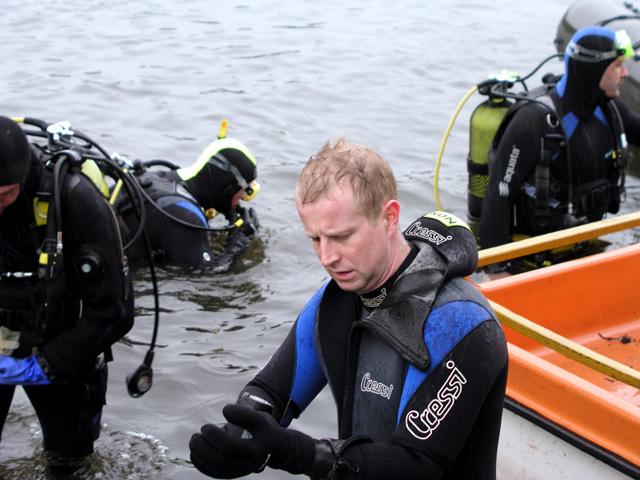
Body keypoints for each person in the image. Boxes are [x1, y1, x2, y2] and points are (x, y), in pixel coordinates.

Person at [189, 138, 508, 479]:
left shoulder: (463, 323)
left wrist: (289, 451)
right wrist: (241, 442)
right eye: (315, 239)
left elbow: (416, 465)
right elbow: (270, 392)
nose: (327, 257)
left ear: (388, 218)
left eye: (341, 237)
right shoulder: (336, 302)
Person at [0, 117, 134, 471]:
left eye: (4, 195)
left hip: (61, 343)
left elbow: (115, 312)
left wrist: (43, 367)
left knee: (69, 463)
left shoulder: (77, 202)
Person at [479, 25, 640, 274]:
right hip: (533, 260)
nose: (625, 73)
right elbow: (498, 195)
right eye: (618, 65)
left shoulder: (609, 108)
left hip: (586, 245)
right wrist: (497, 271)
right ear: (594, 68)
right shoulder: (534, 122)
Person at [113, 134, 260, 272]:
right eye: (244, 194)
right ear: (227, 187)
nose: (241, 202)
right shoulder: (185, 214)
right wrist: (239, 241)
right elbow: (207, 275)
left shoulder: (160, 177)